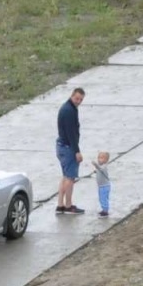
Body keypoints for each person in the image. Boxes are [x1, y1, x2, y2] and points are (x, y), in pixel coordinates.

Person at [55, 87, 85, 215]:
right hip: (68, 148)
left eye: (81, 100)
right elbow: (71, 133)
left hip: (61, 146)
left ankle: (60, 205)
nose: (78, 101)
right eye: (77, 98)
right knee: (70, 178)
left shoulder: (68, 108)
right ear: (72, 95)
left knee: (65, 176)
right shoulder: (69, 111)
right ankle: (68, 205)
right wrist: (77, 151)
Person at [83, 151, 114, 218]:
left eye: (102, 158)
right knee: (101, 198)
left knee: (104, 199)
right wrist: (96, 170)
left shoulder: (104, 166)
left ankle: (105, 211)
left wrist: (95, 165)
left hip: (105, 186)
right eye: (99, 158)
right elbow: (99, 170)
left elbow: (101, 169)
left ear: (106, 160)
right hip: (101, 186)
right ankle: (104, 209)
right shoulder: (100, 167)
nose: (99, 159)